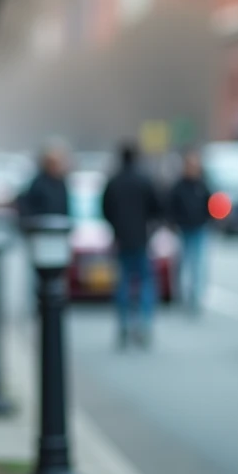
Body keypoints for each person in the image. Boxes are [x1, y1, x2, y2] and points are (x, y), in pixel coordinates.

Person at [102, 142, 164, 349]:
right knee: (145, 282)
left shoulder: (114, 181)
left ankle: (124, 324)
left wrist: (116, 228)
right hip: (141, 238)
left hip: (121, 239)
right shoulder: (144, 180)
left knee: (123, 283)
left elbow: (105, 209)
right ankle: (144, 324)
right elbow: (157, 208)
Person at [167, 150, 213, 314]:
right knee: (182, 263)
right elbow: (171, 206)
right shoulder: (179, 186)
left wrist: (209, 219)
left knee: (198, 265)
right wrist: (173, 222)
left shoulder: (202, 185)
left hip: (199, 228)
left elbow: (210, 204)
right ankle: (181, 295)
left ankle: (196, 297)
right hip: (183, 229)